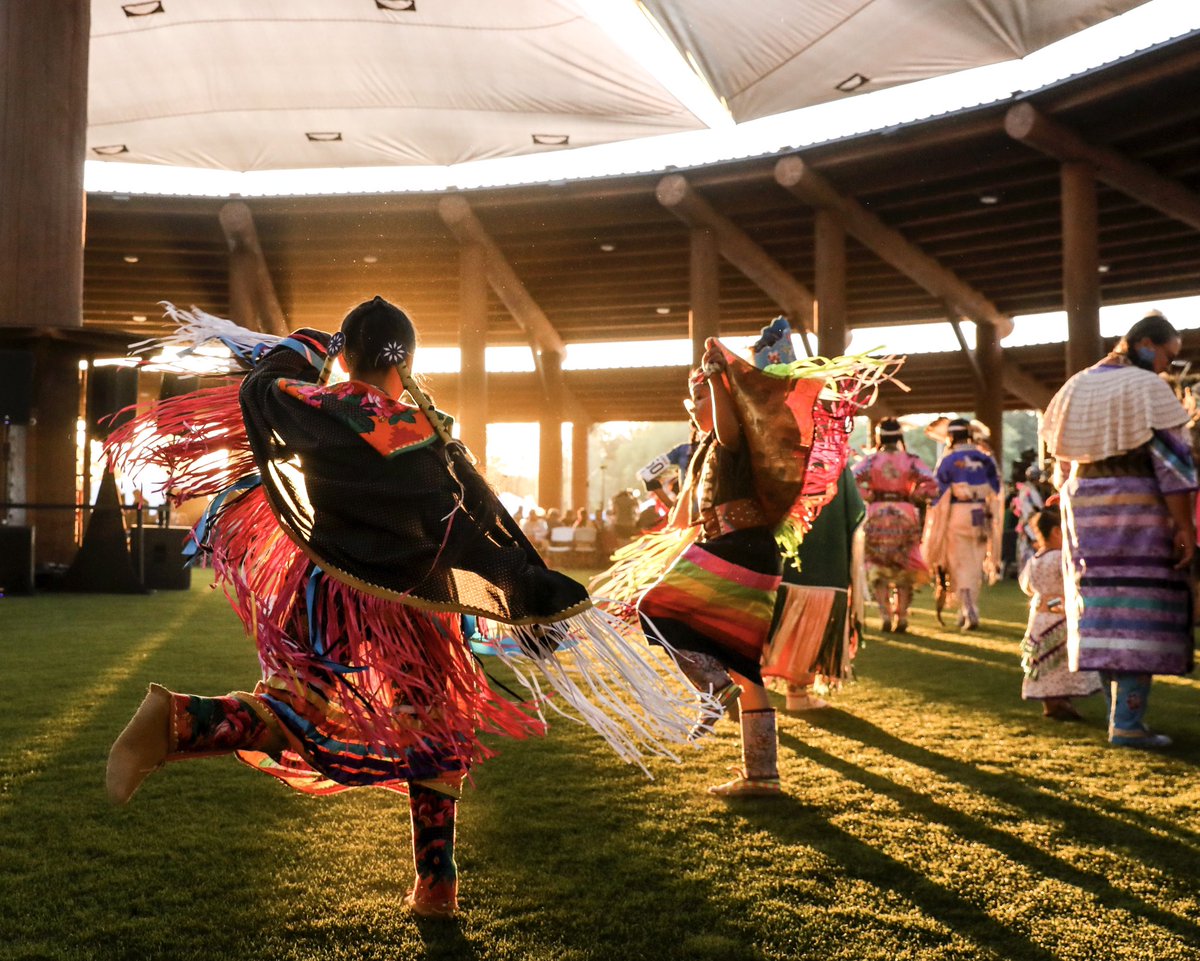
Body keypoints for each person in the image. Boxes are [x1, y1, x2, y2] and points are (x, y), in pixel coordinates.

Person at [103, 298, 705, 917]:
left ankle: (185, 722)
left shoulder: (313, 406)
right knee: (436, 730)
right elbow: (464, 529)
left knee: (302, 710)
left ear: (348, 355)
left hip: (324, 589)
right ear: (409, 360)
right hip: (408, 606)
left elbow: (260, 386)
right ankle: (433, 882)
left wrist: (311, 345)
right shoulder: (417, 431)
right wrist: (526, 586)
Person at [593, 336, 890, 797]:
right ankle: (762, 776)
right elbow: (682, 518)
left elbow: (726, 426)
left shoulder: (732, 441)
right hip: (746, 552)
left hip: (740, 549)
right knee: (744, 666)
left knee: (652, 609)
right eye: (691, 397)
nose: (694, 405)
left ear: (723, 397)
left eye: (699, 396)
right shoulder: (707, 450)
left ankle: (713, 692)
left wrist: (715, 374)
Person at [1041, 311, 1196, 748]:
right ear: (1146, 344)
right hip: (1136, 507)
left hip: (1083, 506)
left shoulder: (1076, 383)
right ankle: (1127, 723)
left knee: (1103, 604)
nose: (1167, 365)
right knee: (1138, 608)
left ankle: (1122, 717)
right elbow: (1173, 464)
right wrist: (1184, 523)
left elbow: (1062, 463)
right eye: (1168, 355)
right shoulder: (1147, 386)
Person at [762, 464, 865, 712]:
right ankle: (796, 694)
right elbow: (856, 514)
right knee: (807, 627)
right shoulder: (837, 463)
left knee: (768, 626)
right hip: (826, 562)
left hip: (782, 562)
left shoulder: (782, 457)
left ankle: (749, 690)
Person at [853, 418, 938, 632]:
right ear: (900, 436)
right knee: (905, 566)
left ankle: (885, 615)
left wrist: (868, 494)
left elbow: (850, 478)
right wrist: (915, 495)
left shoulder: (871, 461)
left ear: (879, 437)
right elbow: (931, 483)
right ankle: (901, 616)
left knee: (878, 566)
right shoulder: (911, 461)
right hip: (904, 513)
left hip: (877, 514)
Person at [1018, 509, 1102, 719]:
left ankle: (1053, 702)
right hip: (1060, 618)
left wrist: (1042, 598)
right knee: (1060, 661)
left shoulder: (1034, 559)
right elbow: (1076, 580)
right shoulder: (1061, 558)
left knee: (1046, 662)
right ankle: (1059, 702)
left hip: (1038, 619)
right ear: (1056, 531)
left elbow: (1026, 586)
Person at [922, 417, 1002, 630]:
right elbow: (997, 488)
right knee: (975, 564)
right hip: (981, 514)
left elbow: (936, 491)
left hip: (958, 514)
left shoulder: (948, 460)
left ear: (950, 436)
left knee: (959, 564)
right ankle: (967, 608)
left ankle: (969, 610)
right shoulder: (985, 458)